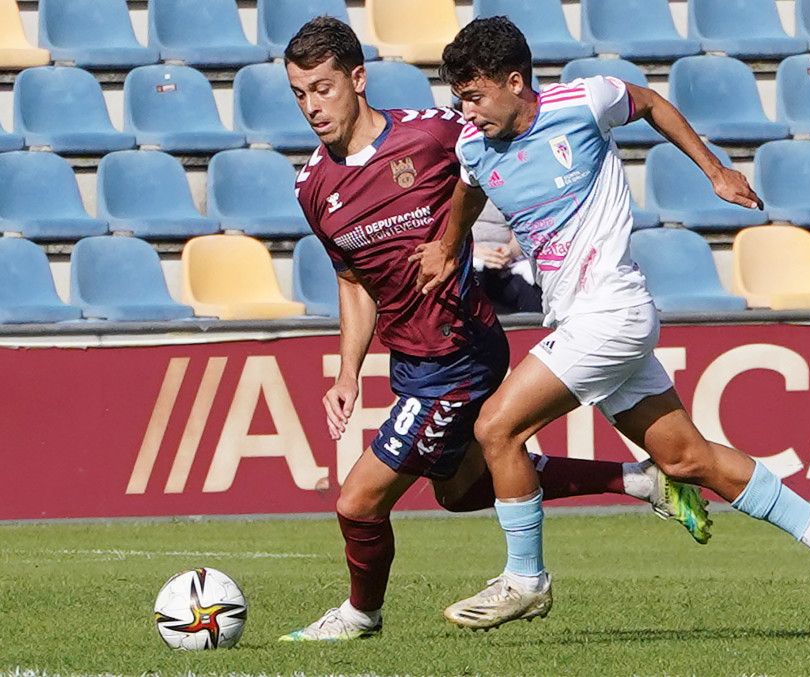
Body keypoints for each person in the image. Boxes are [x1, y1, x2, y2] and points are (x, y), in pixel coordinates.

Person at [415, 17, 810, 631]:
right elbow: (469, 190)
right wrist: (446, 244)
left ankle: (526, 580)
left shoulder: (583, 102)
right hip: (583, 317)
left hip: (611, 308)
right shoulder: (475, 145)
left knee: (497, 427)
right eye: (458, 98)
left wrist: (715, 172)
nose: (466, 111)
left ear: (514, 82)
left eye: (473, 96)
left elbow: (650, 102)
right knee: (686, 460)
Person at [279, 16, 712, 642]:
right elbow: (352, 282)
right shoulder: (313, 184)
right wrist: (348, 371)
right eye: (299, 94)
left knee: (357, 502)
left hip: (459, 354)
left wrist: (529, 223)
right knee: (458, 491)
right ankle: (639, 478)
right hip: (412, 361)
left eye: (322, 88)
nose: (312, 106)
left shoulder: (432, 134)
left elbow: (509, 131)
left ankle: (360, 615)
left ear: (357, 78)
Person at [472, 200, 543, 313]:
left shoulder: (512, 189)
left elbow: (525, 227)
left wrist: (510, 251)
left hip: (508, 263)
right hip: (470, 258)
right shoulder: (456, 188)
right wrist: (473, 251)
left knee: (530, 292)